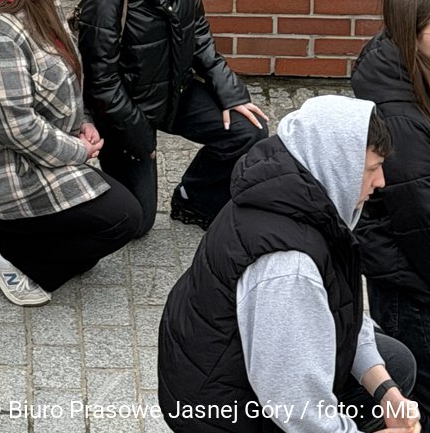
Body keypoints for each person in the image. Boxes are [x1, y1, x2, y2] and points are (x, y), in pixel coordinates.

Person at [157, 96, 419, 433]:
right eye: (371, 169)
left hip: (221, 370)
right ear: (336, 166)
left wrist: (386, 392)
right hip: (219, 414)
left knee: (394, 364)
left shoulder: (288, 193)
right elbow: (295, 404)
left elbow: (342, 307)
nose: (380, 181)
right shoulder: (289, 266)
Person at [0, 0, 142, 308]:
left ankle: (30, 238)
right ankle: (6, 250)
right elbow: (17, 128)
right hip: (7, 168)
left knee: (103, 237)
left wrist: (83, 122)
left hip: (46, 149)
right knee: (123, 219)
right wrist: (78, 150)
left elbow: (67, 76)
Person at [74, 0, 269, 234]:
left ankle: (194, 198)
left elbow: (199, 36)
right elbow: (101, 84)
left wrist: (231, 94)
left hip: (174, 92)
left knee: (249, 130)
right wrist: (139, 136)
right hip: (128, 112)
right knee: (137, 223)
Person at [351, 0, 430, 390]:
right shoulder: (399, 117)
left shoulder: (407, 65)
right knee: (418, 386)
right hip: (410, 280)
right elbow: (419, 216)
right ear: (410, 31)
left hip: (408, 263)